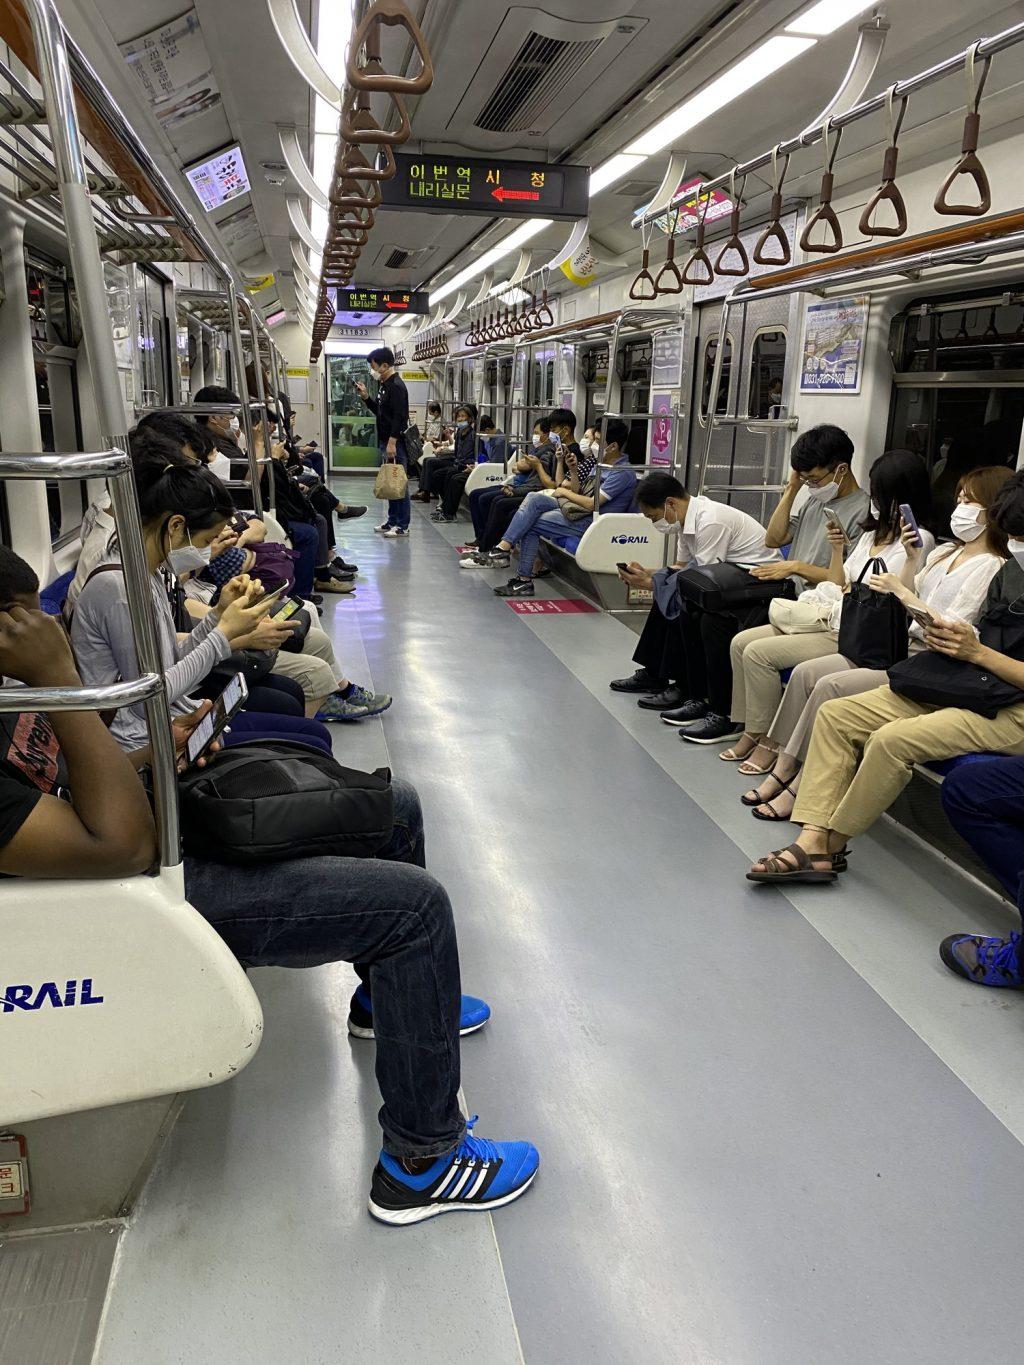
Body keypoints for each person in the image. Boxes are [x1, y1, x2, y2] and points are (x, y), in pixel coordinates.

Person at [0, 547, 539, 1225]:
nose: (39, 632)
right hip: (129, 905)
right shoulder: (33, 680)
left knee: (393, 804)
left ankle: (387, 1000)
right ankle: (424, 1159)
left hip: (147, 845)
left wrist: (156, 751)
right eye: (21, 621)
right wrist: (59, 676)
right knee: (416, 909)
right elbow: (118, 847)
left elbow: (73, 785)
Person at [746, 469, 1024, 886]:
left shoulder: (997, 564)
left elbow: (990, 653)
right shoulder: (1010, 572)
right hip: (970, 679)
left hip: (1010, 705)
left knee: (891, 739)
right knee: (837, 714)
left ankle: (826, 846)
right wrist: (964, 642)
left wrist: (977, 651)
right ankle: (812, 831)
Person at [71, 450, 334, 755]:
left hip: (173, 716)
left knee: (311, 733)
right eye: (207, 541)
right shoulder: (118, 590)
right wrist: (223, 635)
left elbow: (168, 659)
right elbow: (150, 699)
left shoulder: (150, 573)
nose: (208, 552)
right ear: (175, 526)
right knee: (311, 739)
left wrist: (217, 614)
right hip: (145, 740)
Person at [611, 425, 868, 717]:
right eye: (805, 478)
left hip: (807, 598)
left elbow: (846, 581)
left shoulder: (862, 513)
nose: (809, 484)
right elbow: (774, 539)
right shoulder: (814, 501)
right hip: (785, 588)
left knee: (707, 615)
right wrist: (792, 489)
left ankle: (714, 706)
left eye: (813, 478)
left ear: (841, 470)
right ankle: (671, 681)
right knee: (680, 595)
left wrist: (795, 566)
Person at [724, 450, 938, 781]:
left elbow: (896, 597)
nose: (874, 498)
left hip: (855, 630)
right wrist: (838, 549)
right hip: (836, 613)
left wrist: (906, 563)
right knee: (741, 642)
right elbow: (840, 582)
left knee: (758, 653)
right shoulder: (871, 533)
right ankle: (750, 726)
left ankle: (766, 738)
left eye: (878, 491)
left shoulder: (918, 541)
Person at [611, 474, 783, 741]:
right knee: (667, 591)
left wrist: (653, 581)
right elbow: (682, 569)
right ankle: (658, 675)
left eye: (652, 516)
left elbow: (701, 580)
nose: (653, 522)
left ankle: (702, 698)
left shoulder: (710, 521)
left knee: (695, 611)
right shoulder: (685, 522)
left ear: (670, 503)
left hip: (758, 586)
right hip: (729, 582)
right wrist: (648, 575)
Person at [492, 413, 636, 598]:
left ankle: (523, 580)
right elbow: (580, 491)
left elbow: (593, 504)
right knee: (533, 498)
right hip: (579, 512)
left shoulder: (621, 472)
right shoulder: (601, 463)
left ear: (613, 446)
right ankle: (504, 548)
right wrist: (574, 470)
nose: (593, 444)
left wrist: (564, 492)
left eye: (598, 441)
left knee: (531, 523)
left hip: (593, 523)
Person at [460, 419, 557, 563]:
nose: (534, 436)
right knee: (478, 495)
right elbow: (519, 466)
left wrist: (527, 470)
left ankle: (488, 548)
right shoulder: (539, 449)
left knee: (497, 502)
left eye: (537, 433)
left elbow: (546, 482)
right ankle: (484, 541)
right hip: (522, 485)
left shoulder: (548, 451)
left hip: (531, 490)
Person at [357, 347, 411, 538]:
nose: (372, 370)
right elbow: (381, 412)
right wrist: (366, 398)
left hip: (394, 442)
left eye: (373, 366)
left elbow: (400, 417)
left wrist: (392, 442)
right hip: (385, 440)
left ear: (385, 366)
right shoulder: (384, 385)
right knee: (390, 481)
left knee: (399, 483)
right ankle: (392, 520)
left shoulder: (396, 386)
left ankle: (403, 525)